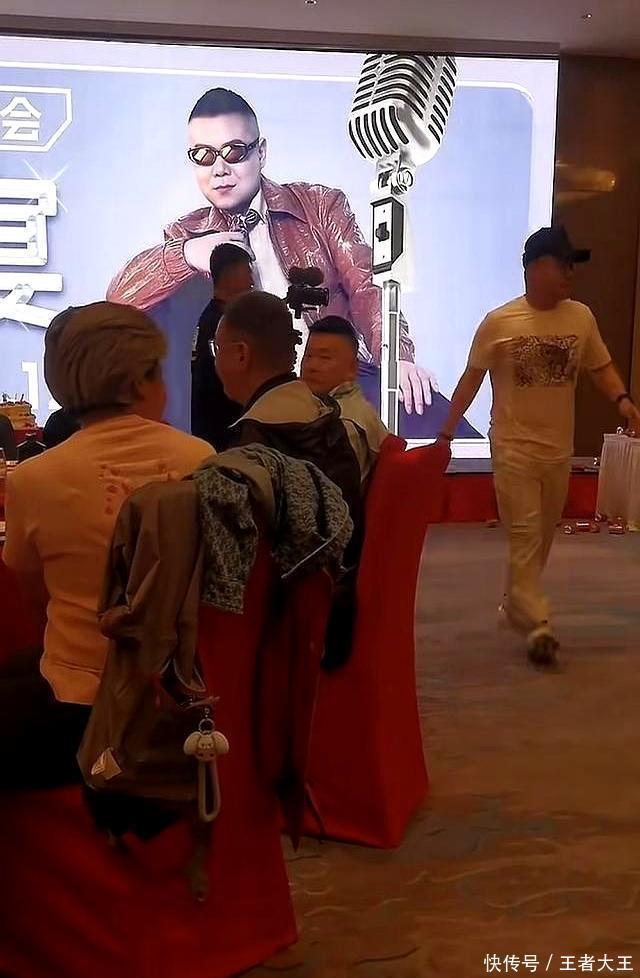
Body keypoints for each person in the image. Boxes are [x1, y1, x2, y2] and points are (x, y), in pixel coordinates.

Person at [107, 87, 478, 437]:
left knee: (445, 431)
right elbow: (120, 299)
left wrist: (395, 359)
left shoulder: (319, 205)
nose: (219, 169)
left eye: (233, 151)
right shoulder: (187, 233)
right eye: (203, 155)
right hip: (253, 398)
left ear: (261, 152)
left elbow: (366, 285)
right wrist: (190, 253)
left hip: (340, 381)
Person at [1, 301, 213, 788]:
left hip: (75, 705)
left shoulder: (33, 478)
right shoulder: (200, 459)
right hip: (179, 698)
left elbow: (36, 600)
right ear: (141, 382)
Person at [439, 226, 640, 668]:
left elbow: (600, 367)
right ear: (535, 268)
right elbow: (471, 381)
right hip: (513, 447)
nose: (570, 273)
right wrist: (447, 434)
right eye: (562, 264)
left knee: (541, 538)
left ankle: (517, 604)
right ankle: (539, 624)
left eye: (572, 266)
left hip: (557, 450)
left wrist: (623, 400)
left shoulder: (580, 317)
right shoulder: (500, 322)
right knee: (525, 534)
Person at [301, 315, 389, 480]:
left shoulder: (343, 426)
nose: (311, 366)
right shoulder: (324, 407)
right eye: (308, 356)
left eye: (324, 358)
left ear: (352, 368)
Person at [191, 242, 254, 449]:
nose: (252, 280)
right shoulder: (217, 323)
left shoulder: (212, 316)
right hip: (224, 431)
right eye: (247, 272)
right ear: (232, 274)